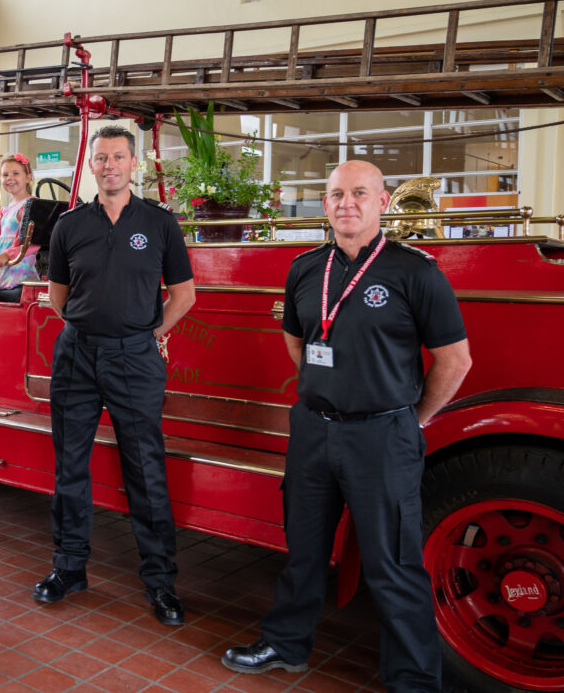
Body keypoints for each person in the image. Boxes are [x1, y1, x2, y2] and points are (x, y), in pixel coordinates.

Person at [222, 161, 472, 692]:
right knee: (305, 551)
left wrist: (411, 418)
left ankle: (412, 679)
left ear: (383, 202)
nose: (346, 203)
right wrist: (327, 392)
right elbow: (297, 339)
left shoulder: (417, 271)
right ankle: (286, 644)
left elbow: (455, 360)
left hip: (383, 436)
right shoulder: (306, 267)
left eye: (360, 193)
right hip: (313, 430)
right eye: (336, 194)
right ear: (325, 203)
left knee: (393, 564)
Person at [34, 125, 196, 626]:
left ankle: (160, 582)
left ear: (134, 165)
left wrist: (148, 335)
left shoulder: (160, 222)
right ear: (92, 166)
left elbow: (184, 295)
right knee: (70, 466)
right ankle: (69, 567)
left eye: (119, 157)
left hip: (135, 359)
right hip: (77, 355)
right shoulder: (68, 225)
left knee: (146, 470)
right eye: (101, 157)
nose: (109, 165)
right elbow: (58, 295)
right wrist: (89, 327)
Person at [0, 153, 41, 295]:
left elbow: (34, 244)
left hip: (17, 265)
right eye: (5, 175)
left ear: (28, 177)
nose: (9, 178)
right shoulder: (3, 211)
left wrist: (7, 255)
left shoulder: (32, 205)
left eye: (15, 173)